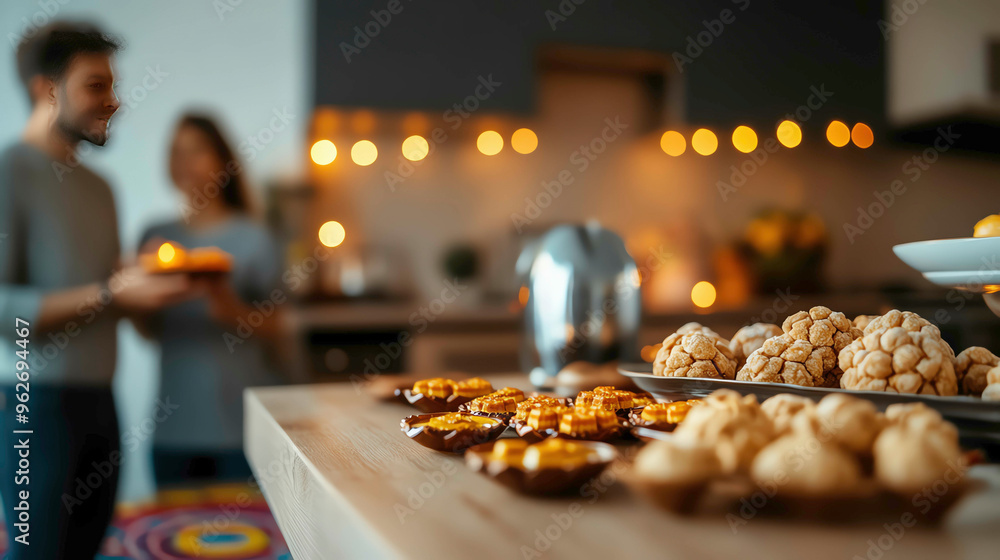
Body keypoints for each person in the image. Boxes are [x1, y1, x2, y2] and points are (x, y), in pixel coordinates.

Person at [0, 23, 204, 559]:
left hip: (100, 402)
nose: (114, 102)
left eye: (112, 86)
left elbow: (107, 291)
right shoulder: (10, 171)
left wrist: (142, 286)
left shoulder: (100, 188)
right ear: (45, 89)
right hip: (33, 408)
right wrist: (111, 294)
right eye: (96, 86)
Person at [137, 114, 286, 487]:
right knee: (172, 542)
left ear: (223, 162)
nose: (184, 162)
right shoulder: (156, 238)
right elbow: (150, 331)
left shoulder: (254, 238)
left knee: (245, 543)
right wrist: (128, 296)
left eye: (196, 151)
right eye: (175, 152)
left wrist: (230, 310)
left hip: (239, 431)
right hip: (173, 429)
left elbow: (281, 329)